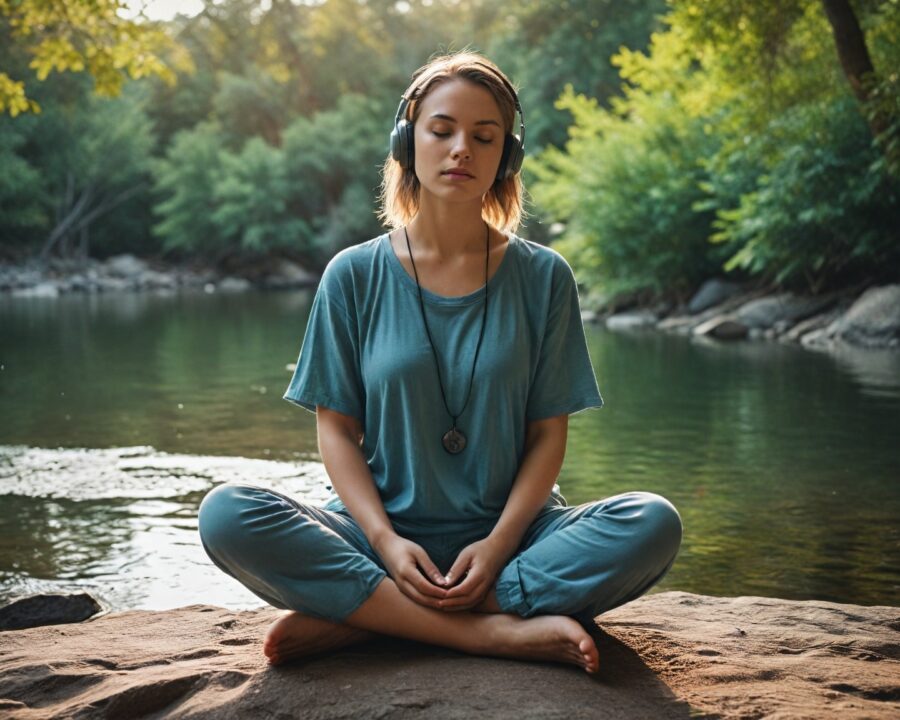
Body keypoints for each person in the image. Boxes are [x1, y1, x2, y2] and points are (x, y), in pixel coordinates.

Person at [197, 51, 682, 675]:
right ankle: (491, 633)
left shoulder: (544, 277)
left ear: (506, 156)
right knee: (228, 514)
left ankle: (370, 621)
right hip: (376, 537)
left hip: (516, 541)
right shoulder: (352, 275)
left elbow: (546, 438)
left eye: (485, 137)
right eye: (442, 130)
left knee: (651, 524)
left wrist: (501, 543)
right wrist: (384, 542)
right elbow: (337, 431)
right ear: (408, 141)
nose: (462, 150)